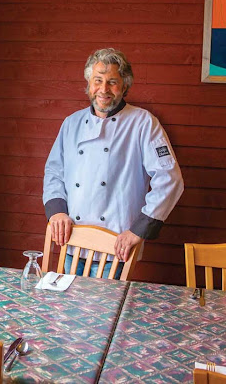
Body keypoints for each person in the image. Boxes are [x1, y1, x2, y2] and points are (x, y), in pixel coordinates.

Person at [42, 48, 184, 278]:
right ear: (89, 82)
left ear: (125, 86)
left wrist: (139, 230)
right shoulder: (71, 123)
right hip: (73, 241)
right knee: (70, 311)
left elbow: (170, 179)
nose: (103, 89)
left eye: (112, 82)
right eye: (97, 80)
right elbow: (53, 172)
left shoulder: (143, 123)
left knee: (104, 313)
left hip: (117, 245)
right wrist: (57, 212)